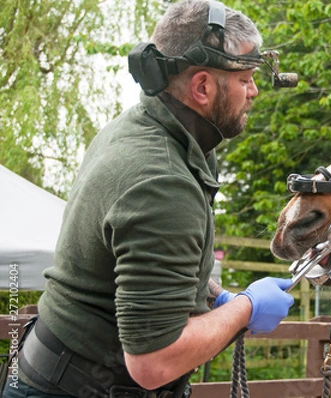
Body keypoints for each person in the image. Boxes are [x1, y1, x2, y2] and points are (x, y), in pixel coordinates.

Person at [3, 1, 294, 396]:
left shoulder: (140, 128)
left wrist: (209, 294)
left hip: (57, 370)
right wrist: (245, 308)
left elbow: (130, 260)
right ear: (203, 87)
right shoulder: (161, 180)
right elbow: (152, 362)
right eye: (244, 79)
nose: (254, 91)